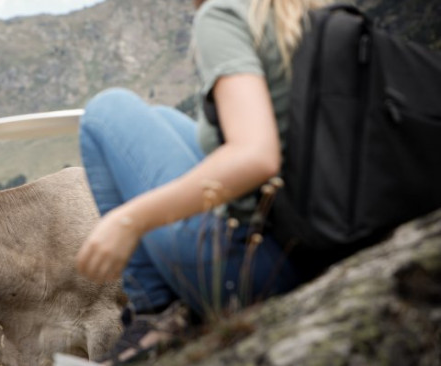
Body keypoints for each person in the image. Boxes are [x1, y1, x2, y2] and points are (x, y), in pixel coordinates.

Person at [74, 0, 335, 363]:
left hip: (253, 274)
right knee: (163, 116)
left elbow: (257, 155)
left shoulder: (223, 12)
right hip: (316, 247)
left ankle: (155, 313)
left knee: (105, 112)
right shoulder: (304, 10)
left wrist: (129, 219)